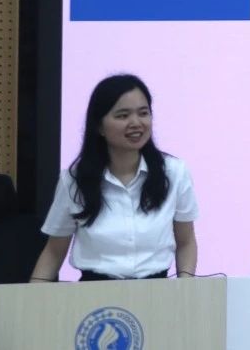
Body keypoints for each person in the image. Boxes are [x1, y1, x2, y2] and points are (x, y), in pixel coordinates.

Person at [30, 73, 198, 282]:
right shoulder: (75, 179)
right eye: (123, 115)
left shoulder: (174, 172)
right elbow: (54, 252)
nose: (136, 123)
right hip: (95, 293)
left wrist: (186, 289)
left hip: (156, 291)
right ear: (99, 126)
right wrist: (32, 296)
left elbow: (186, 242)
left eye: (143, 113)